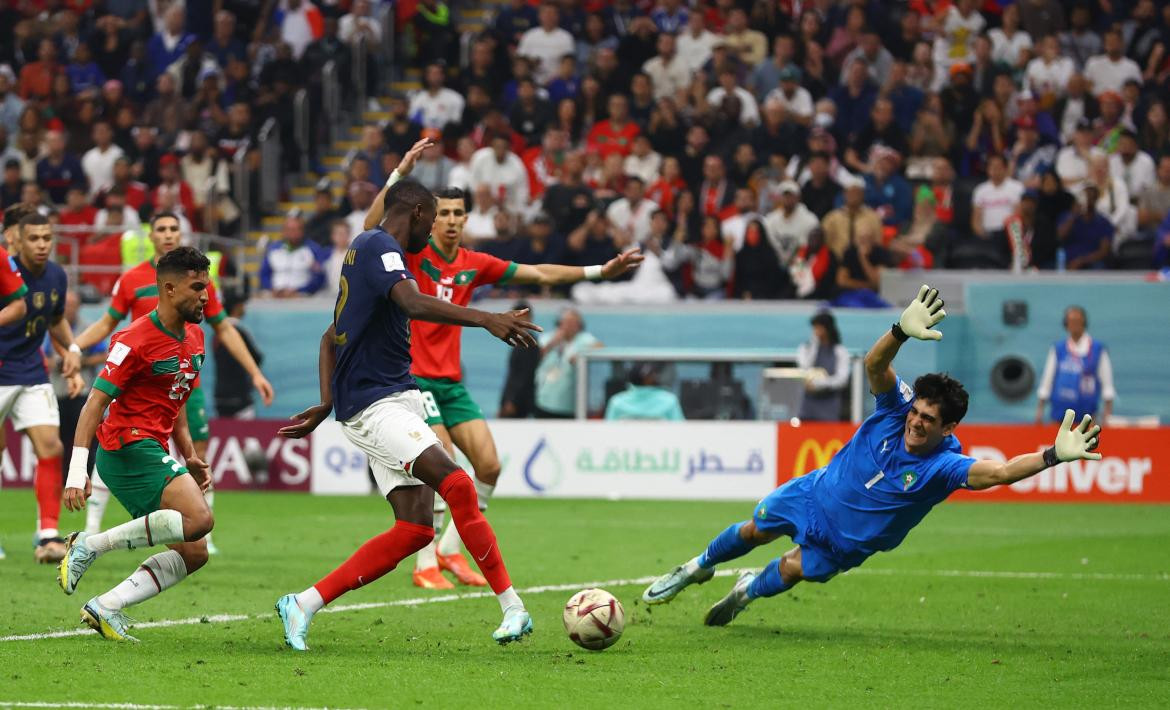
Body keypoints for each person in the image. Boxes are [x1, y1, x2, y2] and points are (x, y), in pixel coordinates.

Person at [641, 285, 1104, 626]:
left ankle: (743, 594)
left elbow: (1000, 472)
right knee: (755, 528)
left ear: (948, 429)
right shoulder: (894, 409)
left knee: (791, 568)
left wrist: (1051, 455)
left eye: (928, 419)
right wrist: (900, 330)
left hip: (845, 542)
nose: (917, 421)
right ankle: (697, 567)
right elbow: (874, 365)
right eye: (918, 412)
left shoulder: (942, 467)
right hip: (812, 493)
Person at [272, 177, 544, 650]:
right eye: (435, 216)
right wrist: (488, 319)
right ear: (417, 213)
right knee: (457, 482)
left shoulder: (365, 251)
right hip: (376, 404)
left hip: (391, 397)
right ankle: (513, 607)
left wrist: (326, 401)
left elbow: (328, 337)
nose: (437, 228)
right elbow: (413, 304)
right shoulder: (381, 246)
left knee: (416, 528)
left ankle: (303, 603)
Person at [364, 140, 641, 589]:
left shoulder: (475, 264)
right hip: (413, 382)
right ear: (429, 219)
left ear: (466, 219)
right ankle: (425, 564)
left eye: (458, 214)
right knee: (446, 464)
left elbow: (541, 273)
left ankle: (451, 553)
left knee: (489, 467)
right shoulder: (411, 254)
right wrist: (399, 172)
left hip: (451, 383)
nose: (451, 221)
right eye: (444, 214)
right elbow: (371, 225)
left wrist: (598, 272)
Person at [74, 213, 275, 552]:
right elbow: (108, 324)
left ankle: (198, 530)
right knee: (119, 441)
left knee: (197, 456)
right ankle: (93, 532)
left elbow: (224, 328)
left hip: (183, 388)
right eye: (162, 229)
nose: (168, 234)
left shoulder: (197, 287)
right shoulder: (132, 282)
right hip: (139, 386)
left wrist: (253, 372)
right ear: (151, 236)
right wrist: (75, 348)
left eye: (174, 229)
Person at [56, 247, 214, 642]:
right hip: (125, 448)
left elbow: (175, 399)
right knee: (201, 520)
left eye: (207, 287)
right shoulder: (134, 339)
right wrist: (78, 471)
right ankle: (89, 545)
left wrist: (190, 455)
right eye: (197, 287)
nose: (205, 296)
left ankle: (105, 605)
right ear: (169, 287)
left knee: (195, 551)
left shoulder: (195, 336)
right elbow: (94, 404)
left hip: (152, 447)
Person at [0, 213, 84, 563]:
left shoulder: (56, 275)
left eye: (47, 238)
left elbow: (54, 319)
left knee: (51, 446)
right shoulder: (5, 269)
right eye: (34, 238)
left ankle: (48, 534)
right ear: (17, 239)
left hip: (32, 371)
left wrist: (72, 352)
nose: (41, 244)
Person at [1035, 306, 1114, 425]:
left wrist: (1107, 415)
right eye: (1071, 322)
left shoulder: (1097, 349)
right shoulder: (1058, 349)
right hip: (1059, 417)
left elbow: (1107, 386)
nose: (1074, 325)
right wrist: (1040, 411)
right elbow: (1047, 381)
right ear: (1066, 324)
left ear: (1084, 322)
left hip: (1088, 418)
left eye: (1078, 321)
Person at [534, 307, 601, 418]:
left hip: (569, 404)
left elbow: (600, 347)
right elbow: (534, 357)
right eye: (566, 322)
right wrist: (553, 343)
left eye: (573, 323)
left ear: (579, 326)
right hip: (544, 401)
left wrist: (582, 355)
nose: (569, 326)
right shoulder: (547, 338)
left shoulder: (584, 339)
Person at [213, 292, 264, 419]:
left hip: (220, 395)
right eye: (242, 305)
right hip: (240, 396)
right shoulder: (239, 332)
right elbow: (257, 357)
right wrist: (255, 375)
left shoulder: (216, 335)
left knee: (224, 432)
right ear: (236, 307)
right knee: (245, 431)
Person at [797, 311, 851, 422]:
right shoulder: (805, 348)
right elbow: (805, 367)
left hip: (829, 409)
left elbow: (842, 379)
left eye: (819, 328)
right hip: (807, 409)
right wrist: (814, 345)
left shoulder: (840, 352)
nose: (816, 332)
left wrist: (819, 384)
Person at [604, 362, 684, 421]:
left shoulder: (617, 402)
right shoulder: (669, 401)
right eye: (652, 374)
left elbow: (607, 432)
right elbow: (681, 431)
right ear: (648, 380)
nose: (656, 376)